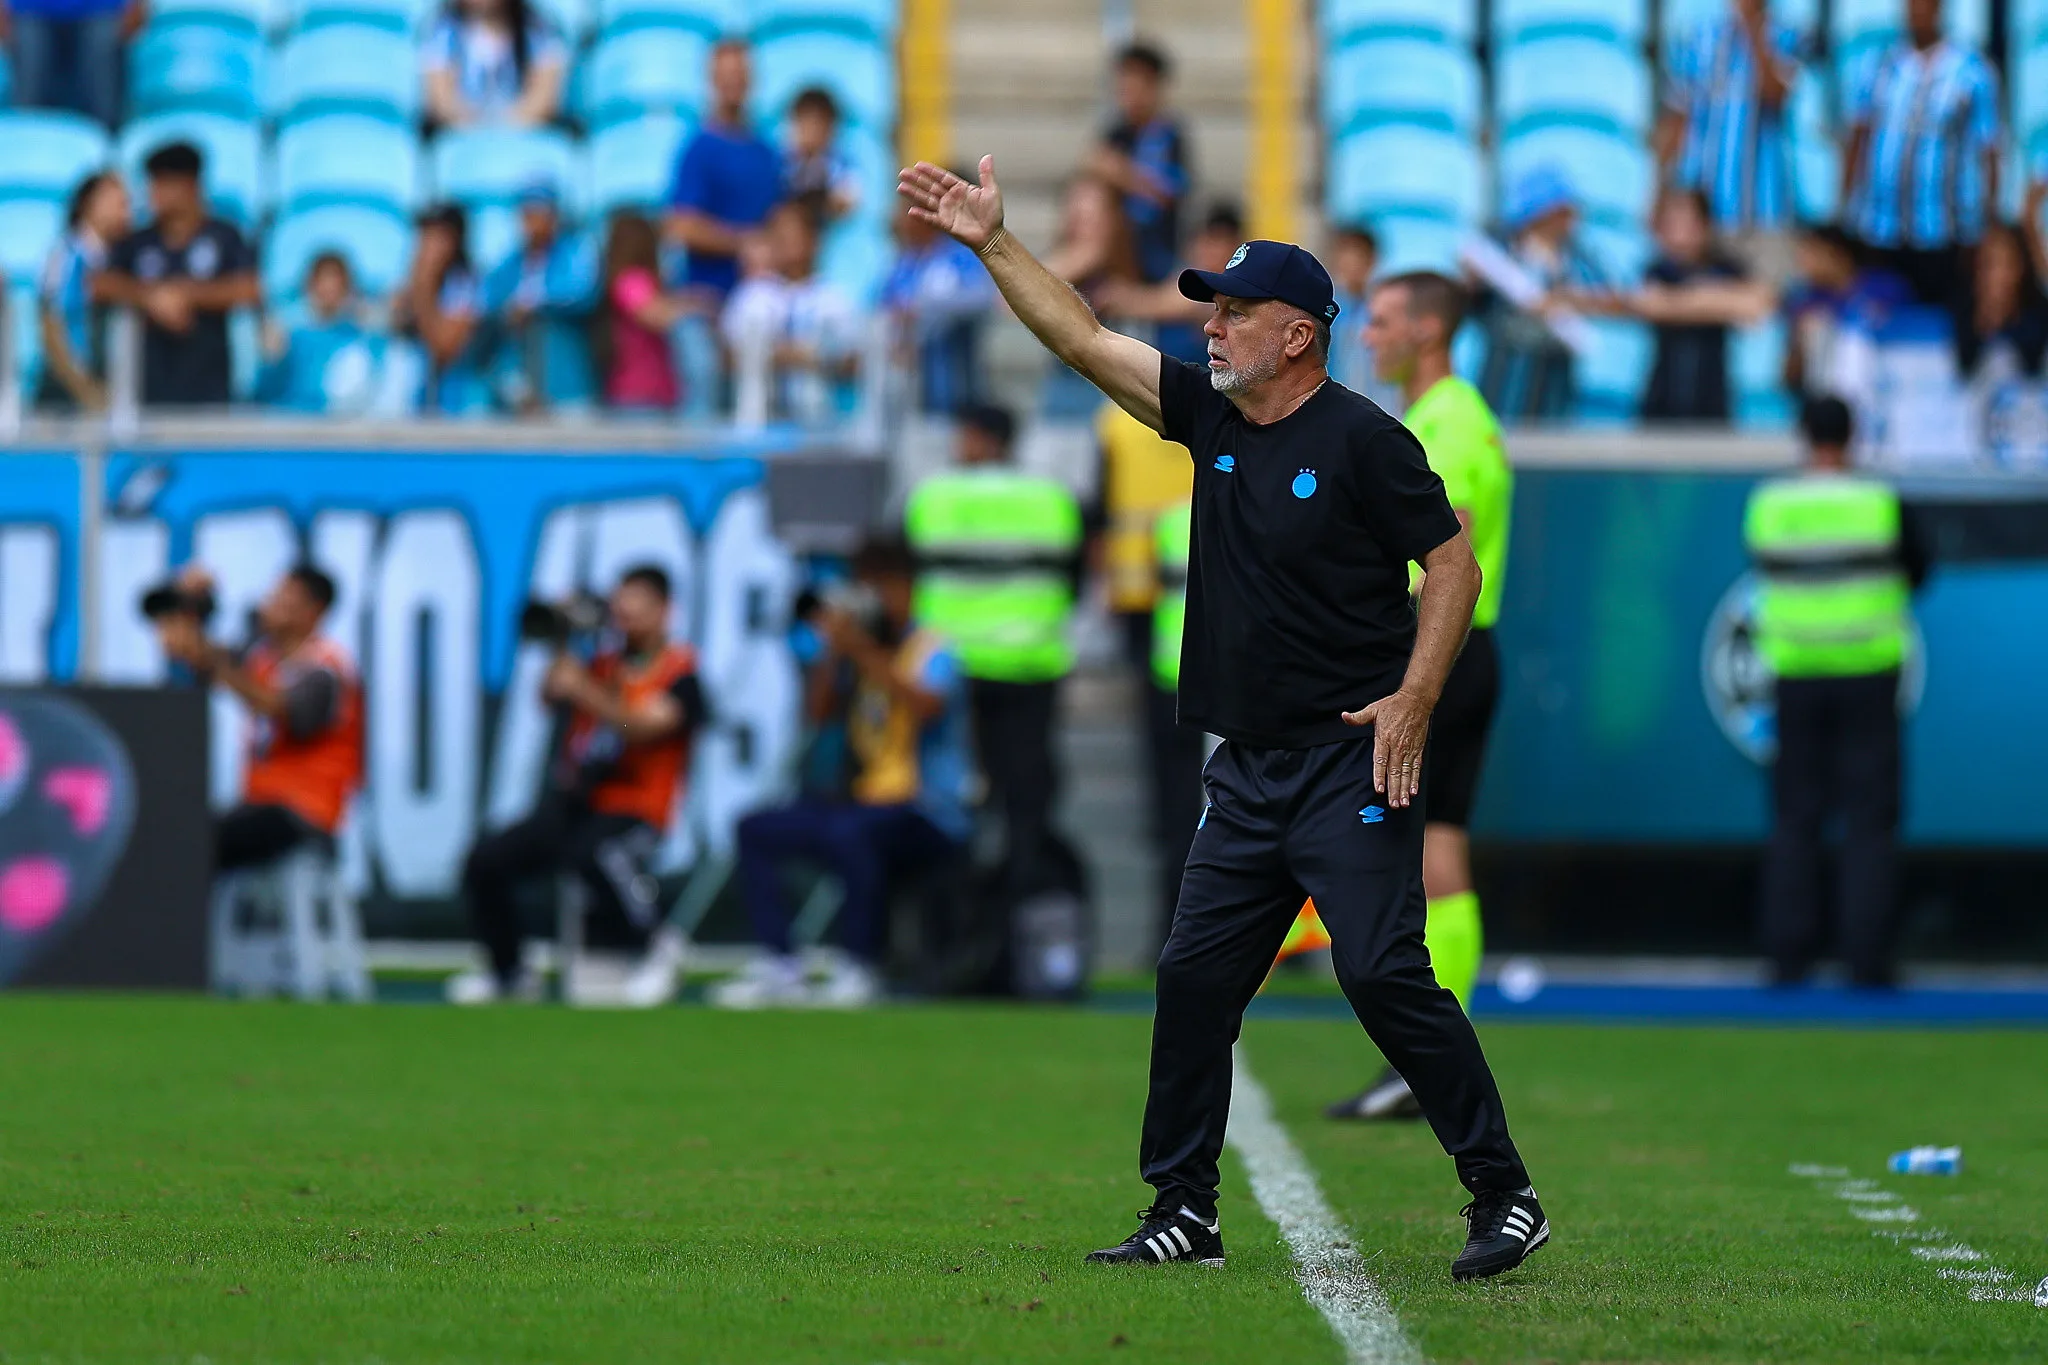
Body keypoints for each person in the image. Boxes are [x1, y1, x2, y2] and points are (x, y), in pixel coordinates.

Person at [898, 156, 1544, 1279]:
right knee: (1193, 980)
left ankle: (1503, 1190)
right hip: (1246, 771)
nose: (1210, 326)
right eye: (1212, 308)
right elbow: (1083, 339)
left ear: (1297, 335)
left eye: (1234, 311)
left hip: (1348, 760)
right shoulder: (1212, 415)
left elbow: (1453, 565)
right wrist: (994, 243)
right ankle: (1183, 1209)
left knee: (1380, 974)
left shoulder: (1365, 440)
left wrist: (1414, 699)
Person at [1317, 270, 1512, 1122]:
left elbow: (1451, 557)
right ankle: (1432, 1053)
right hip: (1463, 654)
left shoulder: (1447, 423)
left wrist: (1409, 672)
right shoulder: (1455, 415)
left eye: (1385, 320)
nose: (1368, 335)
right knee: (1439, 851)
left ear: (1428, 330)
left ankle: (1424, 1053)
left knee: (1412, 857)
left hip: (1439, 655)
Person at [715, 537, 974, 1010]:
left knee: (851, 833)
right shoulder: (856, 651)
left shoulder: (932, 647)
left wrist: (863, 650)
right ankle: (781, 964)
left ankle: (859, 964)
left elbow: (927, 707)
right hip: (863, 802)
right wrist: (833, 653)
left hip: (927, 808)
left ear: (904, 587)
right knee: (755, 828)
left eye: (877, 587)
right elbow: (818, 715)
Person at [448, 566, 707, 1007]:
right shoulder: (602, 663)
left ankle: (658, 947)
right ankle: (509, 972)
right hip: (579, 803)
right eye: (621, 604)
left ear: (664, 610)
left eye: (638, 605)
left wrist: (585, 689)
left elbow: (638, 727)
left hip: (638, 808)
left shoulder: (680, 673)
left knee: (599, 854)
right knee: (487, 859)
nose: (626, 615)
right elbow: (550, 696)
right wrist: (563, 636)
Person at [1747, 397, 1928, 988]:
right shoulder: (1880, 501)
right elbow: (1919, 569)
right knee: (1870, 819)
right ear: (1852, 436)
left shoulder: (1771, 503)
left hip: (1796, 671)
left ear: (1804, 435)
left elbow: (1761, 566)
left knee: (1795, 816)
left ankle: (1787, 958)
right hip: (1868, 670)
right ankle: (1866, 960)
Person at [904, 402, 1086, 906]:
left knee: (955, 793)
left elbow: (906, 577)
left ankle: (958, 910)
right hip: (1031, 664)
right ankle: (1021, 902)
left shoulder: (934, 497)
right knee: (1027, 792)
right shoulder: (1052, 499)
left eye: (963, 435)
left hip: (954, 671)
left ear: (983, 439)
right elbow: (1073, 582)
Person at [150, 563, 363, 876]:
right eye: (274, 596)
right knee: (182, 829)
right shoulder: (263, 658)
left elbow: (281, 707)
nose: (271, 605)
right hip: (260, 805)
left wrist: (218, 666)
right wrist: (186, 605)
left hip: (305, 811)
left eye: (284, 599)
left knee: (201, 839)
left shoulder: (325, 668)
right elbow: (199, 656)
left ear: (313, 610)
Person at [1093, 396, 1199, 943]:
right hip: (1225, 683)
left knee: (1177, 813)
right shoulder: (1251, 514)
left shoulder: (1167, 525)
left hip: (1173, 679)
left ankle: (1172, 929)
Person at [1839, 0, 2000, 307]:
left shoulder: (1972, 71)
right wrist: (1845, 207)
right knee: (1881, 317)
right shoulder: (1881, 66)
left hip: (1943, 230)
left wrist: (1987, 222)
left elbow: (1988, 149)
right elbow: (1859, 137)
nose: (1917, 11)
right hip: (1881, 227)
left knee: (1938, 318)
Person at [664, 38, 782, 417]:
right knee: (705, 406)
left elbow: (779, 221)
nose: (734, 82)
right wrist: (743, 243)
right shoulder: (698, 148)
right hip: (707, 306)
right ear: (712, 80)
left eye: (740, 74)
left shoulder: (766, 152)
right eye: (726, 75)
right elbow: (681, 226)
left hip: (758, 305)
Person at [94, 142, 261, 408]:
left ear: (189, 186)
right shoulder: (139, 241)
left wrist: (187, 295)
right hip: (147, 390)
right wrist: (150, 298)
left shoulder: (225, 236)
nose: (152, 193)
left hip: (209, 389)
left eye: (161, 184)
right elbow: (100, 283)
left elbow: (250, 289)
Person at [1656, 0, 1802, 279]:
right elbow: (1675, 122)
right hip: (1702, 219)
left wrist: (1752, 28)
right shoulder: (1697, 39)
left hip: (1765, 214)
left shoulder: (1786, 36)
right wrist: (1659, 193)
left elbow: (1776, 96)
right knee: (1700, 298)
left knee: (1764, 299)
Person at [1472, 165, 1609, 422]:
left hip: (1554, 375)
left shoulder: (1578, 256)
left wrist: (1564, 300)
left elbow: (1609, 295)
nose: (1571, 219)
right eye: (1562, 211)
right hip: (1507, 371)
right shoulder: (1500, 253)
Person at [1628, 188, 1775, 423]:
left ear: (1705, 224)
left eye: (1686, 223)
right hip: (1663, 396)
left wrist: (1682, 300)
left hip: (1711, 396)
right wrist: (1719, 302)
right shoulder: (1657, 270)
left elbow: (1757, 305)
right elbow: (1649, 305)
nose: (1677, 232)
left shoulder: (1727, 267)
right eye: (1670, 224)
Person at [720, 195, 863, 425]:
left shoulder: (834, 299)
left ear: (814, 239)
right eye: (779, 235)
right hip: (761, 420)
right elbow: (728, 358)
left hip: (821, 422)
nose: (786, 242)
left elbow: (854, 363)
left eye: (794, 234)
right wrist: (784, 355)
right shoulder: (752, 295)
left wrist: (823, 358)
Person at [482, 177, 599, 413]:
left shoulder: (575, 253)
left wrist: (536, 305)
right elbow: (489, 300)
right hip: (519, 386)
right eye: (528, 215)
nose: (533, 222)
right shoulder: (511, 263)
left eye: (540, 214)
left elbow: (583, 293)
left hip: (566, 386)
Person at [879, 200, 995, 414]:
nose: (900, 222)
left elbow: (983, 299)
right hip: (910, 373)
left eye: (906, 214)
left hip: (954, 373)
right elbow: (885, 310)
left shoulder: (959, 256)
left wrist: (927, 310)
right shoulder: (903, 265)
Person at [1041, 174, 1141, 417]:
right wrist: (1084, 258)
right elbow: (1008, 299)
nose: (1080, 227)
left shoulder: (1138, 266)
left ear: (1114, 221)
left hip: (1120, 401)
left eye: (1091, 218)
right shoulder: (1061, 268)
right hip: (1064, 398)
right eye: (1075, 217)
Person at [1089, 41, 1189, 285]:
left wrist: (1123, 175)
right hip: (1112, 245)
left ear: (1154, 87)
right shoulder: (1116, 133)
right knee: (1087, 197)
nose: (1128, 93)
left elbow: (1166, 195)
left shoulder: (1169, 136)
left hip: (1151, 250)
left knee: (1099, 224)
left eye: (1136, 85)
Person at [1780, 223, 1912, 400]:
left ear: (1838, 254)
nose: (1803, 262)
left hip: (1890, 391)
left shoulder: (1886, 287)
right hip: (1831, 400)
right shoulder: (1805, 301)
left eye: (1811, 253)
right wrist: (1800, 344)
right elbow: (1789, 377)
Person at [37, 169, 129, 412]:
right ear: (89, 204)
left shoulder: (113, 258)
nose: (125, 213)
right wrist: (84, 389)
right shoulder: (66, 255)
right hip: (66, 395)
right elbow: (50, 326)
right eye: (118, 203)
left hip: (100, 388)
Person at [595, 211, 705, 412]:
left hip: (653, 393)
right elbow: (655, 315)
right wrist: (698, 307)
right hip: (638, 393)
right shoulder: (630, 281)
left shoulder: (640, 281)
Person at [254, 252, 383, 414]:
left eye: (336, 285)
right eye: (323, 284)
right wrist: (272, 361)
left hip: (340, 422)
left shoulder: (360, 338)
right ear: (310, 286)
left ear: (347, 289)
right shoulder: (293, 337)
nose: (329, 291)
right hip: (293, 419)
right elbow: (264, 393)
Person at [391, 203, 487, 415]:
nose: (426, 245)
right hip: (419, 403)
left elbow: (444, 347)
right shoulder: (416, 285)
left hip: (463, 408)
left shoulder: (466, 283)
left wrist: (423, 285)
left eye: (436, 236)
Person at [419, 0, 566, 130]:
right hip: (462, 135)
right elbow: (441, 101)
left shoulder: (536, 27)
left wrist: (507, 124)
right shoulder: (443, 28)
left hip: (523, 135)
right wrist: (473, 124)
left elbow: (544, 98)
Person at [2, 0, 141, 127]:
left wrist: (137, 4)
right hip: (29, 10)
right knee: (29, 108)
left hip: (102, 10)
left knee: (105, 107)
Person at [782, 85, 859, 223]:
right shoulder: (780, 163)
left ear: (831, 128)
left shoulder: (841, 166)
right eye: (805, 121)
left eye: (818, 123)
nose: (811, 130)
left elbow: (847, 200)